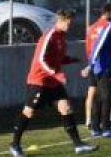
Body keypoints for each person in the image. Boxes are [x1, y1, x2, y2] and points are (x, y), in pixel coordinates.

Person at [9, 9, 97, 156]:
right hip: (39, 81)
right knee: (29, 112)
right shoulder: (50, 35)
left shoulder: (62, 37)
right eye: (68, 23)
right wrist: (57, 74)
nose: (70, 26)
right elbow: (41, 60)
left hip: (53, 82)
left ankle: (78, 145)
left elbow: (57, 58)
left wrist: (71, 60)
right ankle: (15, 144)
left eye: (71, 23)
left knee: (66, 108)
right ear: (60, 21)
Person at [83, 3, 111, 138]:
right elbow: (97, 46)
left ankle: (95, 127)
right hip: (101, 68)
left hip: (105, 67)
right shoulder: (109, 27)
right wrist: (90, 65)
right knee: (108, 97)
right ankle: (105, 128)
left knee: (100, 97)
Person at [83, 6, 111, 130]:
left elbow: (88, 47)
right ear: (108, 13)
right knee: (106, 94)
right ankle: (107, 120)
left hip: (92, 63)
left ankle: (89, 120)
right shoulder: (109, 26)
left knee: (92, 92)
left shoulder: (91, 27)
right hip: (102, 64)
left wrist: (90, 63)